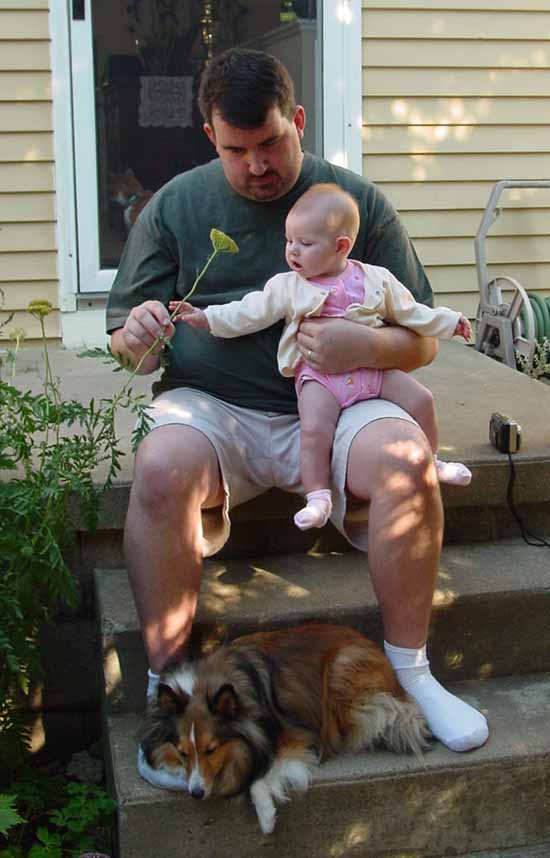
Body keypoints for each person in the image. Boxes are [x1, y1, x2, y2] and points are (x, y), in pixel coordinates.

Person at [106, 47, 488, 787]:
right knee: (159, 468)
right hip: (217, 412)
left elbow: (421, 342)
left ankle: (413, 673)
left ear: (299, 120)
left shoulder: (355, 203)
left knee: (409, 461)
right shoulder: (175, 206)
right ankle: (171, 688)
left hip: (348, 401)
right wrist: (137, 336)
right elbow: (131, 353)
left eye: (271, 143)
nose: (255, 165)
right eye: (235, 150)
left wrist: (365, 342)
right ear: (209, 136)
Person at [169, 182, 472, 534]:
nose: (292, 251)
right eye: (289, 241)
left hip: (370, 371)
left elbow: (411, 312)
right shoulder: (288, 285)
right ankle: (318, 496)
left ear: (341, 246)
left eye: (305, 243)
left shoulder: (376, 279)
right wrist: (207, 318)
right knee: (314, 430)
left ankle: (433, 460)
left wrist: (451, 322)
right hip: (320, 378)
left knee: (422, 399)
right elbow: (248, 312)